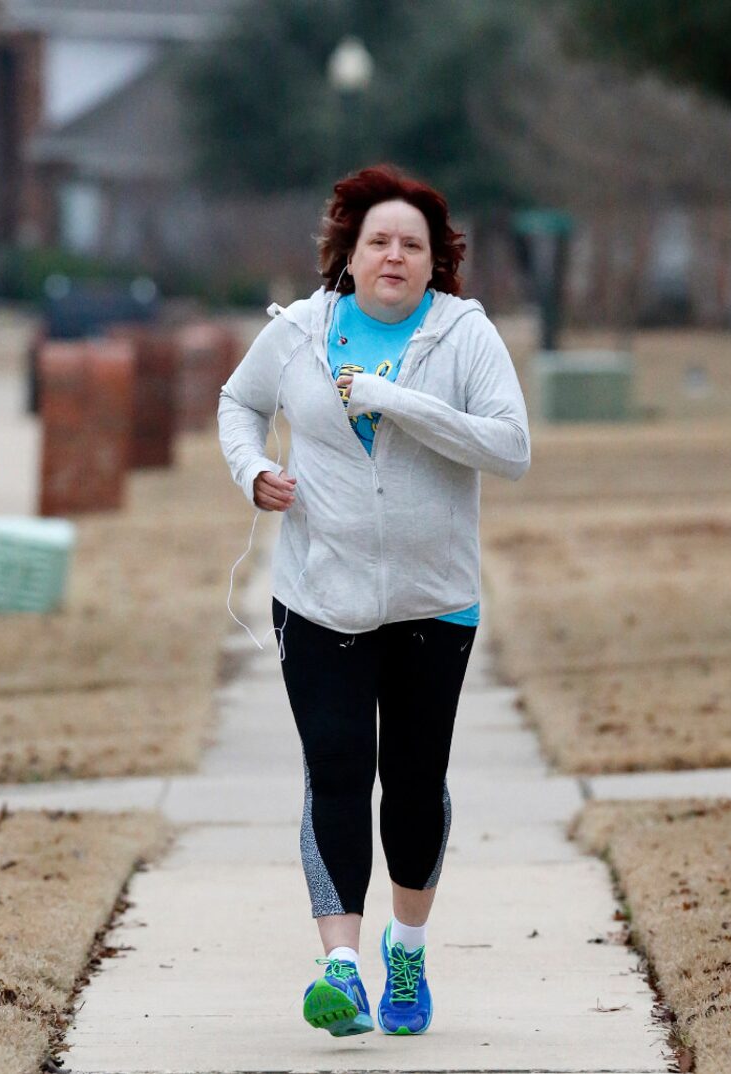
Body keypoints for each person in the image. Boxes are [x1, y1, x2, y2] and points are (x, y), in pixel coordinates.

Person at [218, 163, 530, 1037]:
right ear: (347, 258)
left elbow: (510, 448)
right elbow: (237, 406)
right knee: (339, 769)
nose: (394, 255)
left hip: (436, 602)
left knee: (416, 783)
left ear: (437, 264)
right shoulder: (299, 334)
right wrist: (254, 472)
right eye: (378, 242)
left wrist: (397, 399)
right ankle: (341, 969)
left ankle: (408, 949)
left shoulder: (466, 338)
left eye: (413, 245)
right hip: (319, 597)